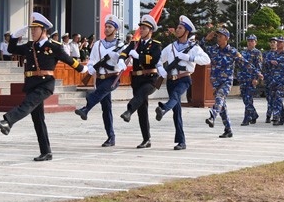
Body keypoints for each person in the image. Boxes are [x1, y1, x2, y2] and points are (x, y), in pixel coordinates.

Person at [0, 12, 85, 161]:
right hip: (31, 84)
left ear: (44, 30)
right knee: (38, 120)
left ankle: (7, 121)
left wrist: (84, 69)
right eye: (31, 29)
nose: (32, 32)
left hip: (45, 84)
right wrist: (15, 36)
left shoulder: (54, 46)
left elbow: (69, 60)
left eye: (35, 29)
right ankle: (46, 152)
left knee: (27, 104)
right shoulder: (30, 46)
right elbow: (11, 49)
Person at [155, 15, 210, 150]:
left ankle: (164, 108)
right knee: (177, 112)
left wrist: (189, 57)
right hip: (171, 80)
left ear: (186, 31)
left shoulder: (193, 48)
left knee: (175, 96)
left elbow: (206, 60)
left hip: (184, 79)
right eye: (177, 27)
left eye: (180, 28)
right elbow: (158, 59)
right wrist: (161, 69)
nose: (177, 30)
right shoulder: (170, 47)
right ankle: (181, 141)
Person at [75, 14, 126, 147]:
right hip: (100, 78)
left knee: (100, 92)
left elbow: (124, 59)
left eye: (110, 27)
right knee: (106, 108)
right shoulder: (98, 44)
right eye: (106, 26)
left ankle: (87, 107)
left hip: (112, 78)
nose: (107, 29)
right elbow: (92, 60)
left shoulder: (120, 45)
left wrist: (121, 59)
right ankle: (111, 137)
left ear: (115, 30)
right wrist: (91, 68)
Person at [118, 14, 162, 149]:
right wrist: (121, 60)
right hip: (137, 79)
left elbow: (154, 59)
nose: (141, 30)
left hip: (150, 79)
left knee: (141, 94)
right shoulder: (134, 44)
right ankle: (146, 139)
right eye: (140, 28)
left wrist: (139, 57)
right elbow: (125, 52)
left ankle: (128, 111)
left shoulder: (156, 45)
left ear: (150, 30)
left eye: (144, 28)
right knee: (142, 110)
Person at [202, 26, 243, 138]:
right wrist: (206, 39)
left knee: (219, 97)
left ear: (227, 38)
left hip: (226, 82)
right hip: (215, 83)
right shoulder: (213, 49)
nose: (218, 38)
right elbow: (199, 48)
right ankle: (228, 130)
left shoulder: (232, 51)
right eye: (217, 36)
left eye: (221, 36)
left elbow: (244, 63)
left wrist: (257, 74)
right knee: (222, 107)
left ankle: (212, 116)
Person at [237, 34, 264, 126]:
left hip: (251, 79)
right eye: (249, 41)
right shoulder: (243, 52)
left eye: (252, 41)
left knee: (248, 98)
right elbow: (239, 64)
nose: (250, 42)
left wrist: (256, 78)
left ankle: (247, 118)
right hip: (243, 78)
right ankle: (254, 114)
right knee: (245, 99)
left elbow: (259, 67)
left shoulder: (257, 53)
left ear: (255, 43)